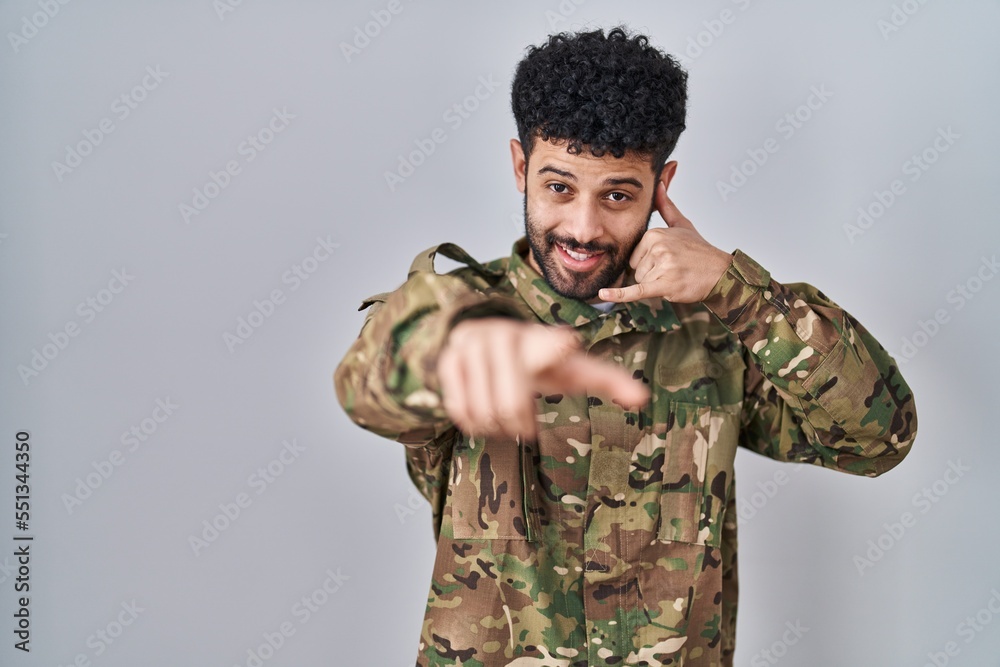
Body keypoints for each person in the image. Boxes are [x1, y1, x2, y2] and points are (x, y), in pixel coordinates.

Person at [334, 26, 917, 667]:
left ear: (662, 183)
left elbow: (877, 440)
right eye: (559, 187)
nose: (584, 228)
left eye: (617, 194)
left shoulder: (716, 329)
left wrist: (737, 290)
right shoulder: (463, 314)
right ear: (520, 166)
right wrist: (453, 342)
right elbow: (372, 384)